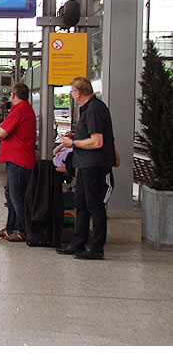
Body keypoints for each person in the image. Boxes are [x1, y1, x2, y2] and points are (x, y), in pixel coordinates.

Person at [56, 77, 119, 260]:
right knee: (81, 204)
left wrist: (72, 142)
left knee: (95, 206)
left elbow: (97, 141)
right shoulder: (89, 109)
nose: (71, 95)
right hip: (84, 164)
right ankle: (78, 243)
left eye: (72, 92)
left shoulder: (94, 109)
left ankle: (96, 248)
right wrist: (76, 135)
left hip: (94, 165)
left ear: (78, 92)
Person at [0, 82, 37, 242]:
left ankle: (25, 230)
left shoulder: (19, 110)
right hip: (18, 159)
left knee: (17, 197)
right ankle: (11, 228)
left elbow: (1, 133)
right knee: (11, 196)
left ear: (12, 95)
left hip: (19, 160)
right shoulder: (25, 109)